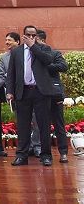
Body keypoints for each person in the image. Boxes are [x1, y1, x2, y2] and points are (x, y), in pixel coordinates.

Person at [6, 24, 59, 166]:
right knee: (23, 125)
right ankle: (21, 156)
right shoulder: (16, 52)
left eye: (33, 35)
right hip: (23, 91)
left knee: (43, 125)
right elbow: (11, 73)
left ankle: (46, 155)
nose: (30, 37)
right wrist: (9, 91)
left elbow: (47, 60)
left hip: (41, 91)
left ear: (36, 36)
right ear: (23, 36)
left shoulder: (44, 48)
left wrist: (33, 46)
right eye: (28, 35)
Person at [36, 30, 70, 162]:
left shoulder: (54, 53)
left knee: (59, 124)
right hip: (39, 94)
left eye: (35, 39)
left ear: (42, 40)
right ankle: (45, 154)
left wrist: (46, 67)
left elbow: (63, 66)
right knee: (42, 125)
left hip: (55, 93)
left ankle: (63, 153)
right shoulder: (32, 55)